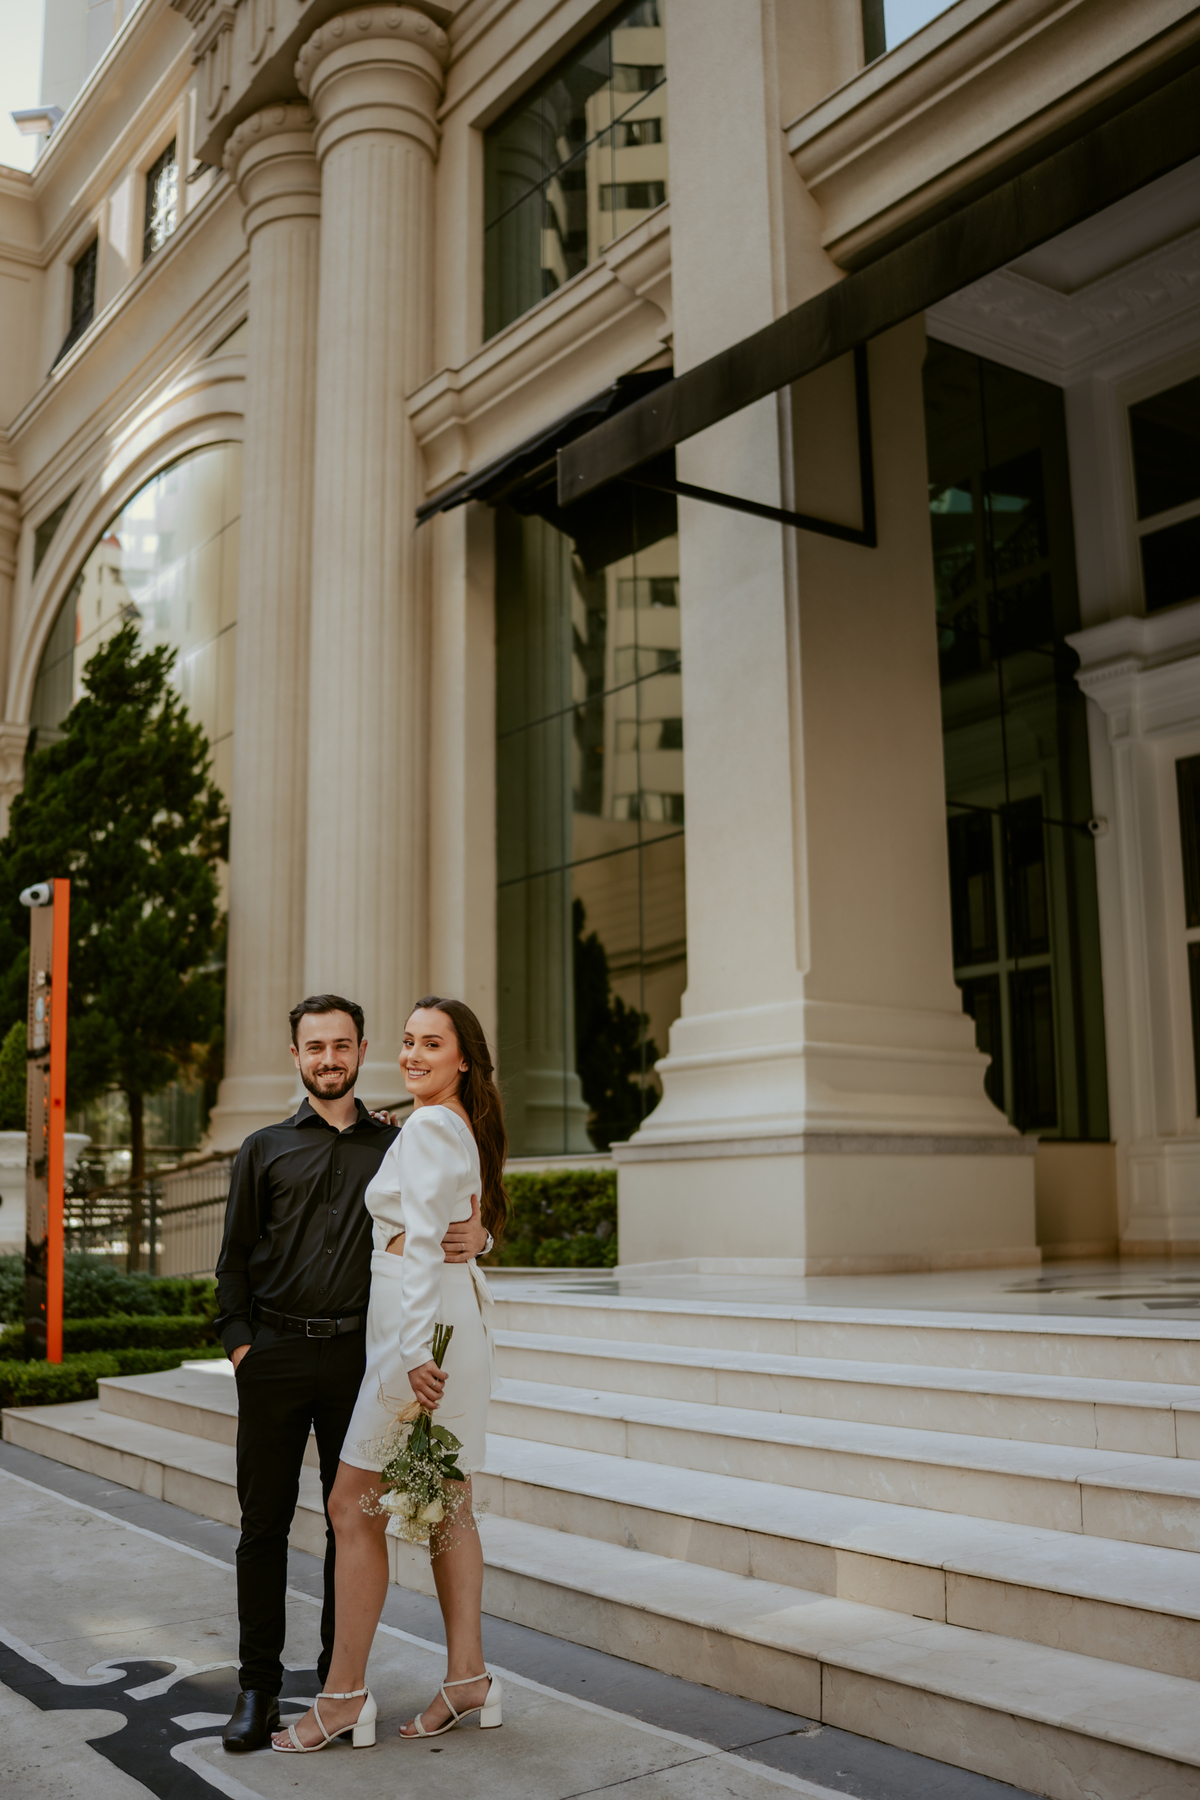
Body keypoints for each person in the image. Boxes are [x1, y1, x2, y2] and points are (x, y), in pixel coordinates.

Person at [214, 994, 490, 1754]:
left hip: (367, 1354)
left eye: (342, 1045)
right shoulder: (263, 1148)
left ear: (359, 1050)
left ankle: (340, 1686)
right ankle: (258, 1688)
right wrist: (242, 1347)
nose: (329, 1058)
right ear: (296, 1056)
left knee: (353, 1519)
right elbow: (232, 1261)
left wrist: (483, 1233)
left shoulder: (398, 1136)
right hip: (275, 1356)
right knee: (264, 1526)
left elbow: (443, 1222)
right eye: (314, 1047)